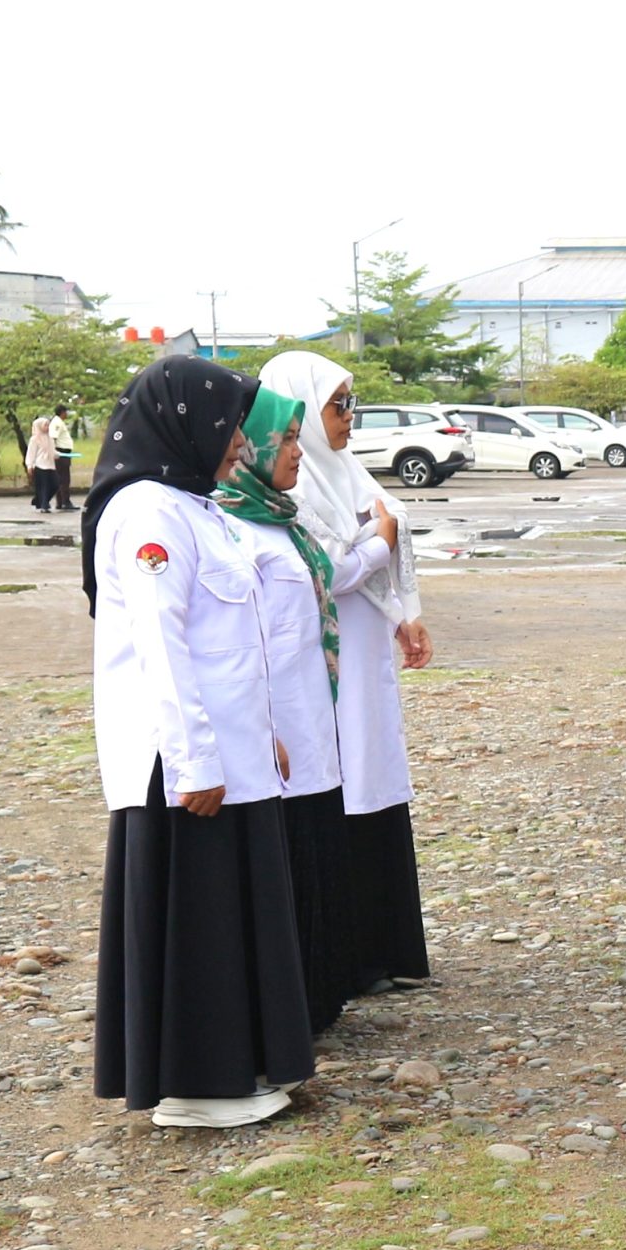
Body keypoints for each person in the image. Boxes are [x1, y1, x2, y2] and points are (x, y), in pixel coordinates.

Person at [84, 358, 314, 1128]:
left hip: (229, 750)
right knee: (197, 922)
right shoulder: (149, 513)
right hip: (179, 764)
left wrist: (264, 733)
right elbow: (163, 647)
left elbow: (237, 640)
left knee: (232, 913)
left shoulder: (195, 506)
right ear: (188, 424)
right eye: (230, 429)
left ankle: (235, 1069)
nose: (241, 447)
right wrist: (195, 763)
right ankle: (195, 1088)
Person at [216, 386, 397, 1032]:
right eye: (285, 440)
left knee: (318, 863)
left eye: (298, 438)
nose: (296, 451)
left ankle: (317, 1002)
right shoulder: (231, 529)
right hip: (278, 740)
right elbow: (236, 646)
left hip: (315, 727)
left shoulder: (280, 518)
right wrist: (259, 726)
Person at [261, 350, 432, 994]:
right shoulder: (292, 481)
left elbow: (385, 533)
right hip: (324, 662)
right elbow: (324, 571)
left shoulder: (343, 471)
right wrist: (378, 543)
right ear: (298, 411)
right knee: (342, 779)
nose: (349, 419)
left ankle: (386, 948)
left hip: (365, 649)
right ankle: (352, 954)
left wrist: (403, 614)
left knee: (373, 776)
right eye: (338, 406)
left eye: (351, 404)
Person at [26, 411, 59, 512]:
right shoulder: (34, 439)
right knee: (44, 486)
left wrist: (57, 455)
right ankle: (44, 505)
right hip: (40, 465)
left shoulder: (50, 439)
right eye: (45, 425)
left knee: (55, 484)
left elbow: (52, 451)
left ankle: (39, 501)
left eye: (48, 425)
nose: (47, 427)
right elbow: (31, 453)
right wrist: (29, 465)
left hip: (50, 465)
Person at [48, 405, 77, 511]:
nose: (67, 414)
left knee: (61, 478)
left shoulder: (58, 422)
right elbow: (53, 438)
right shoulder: (57, 423)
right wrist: (54, 451)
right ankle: (65, 501)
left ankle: (61, 502)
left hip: (63, 452)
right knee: (64, 478)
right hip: (61, 452)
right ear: (62, 412)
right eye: (66, 412)